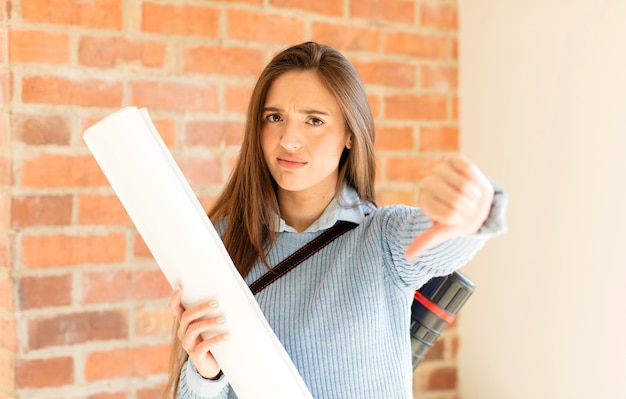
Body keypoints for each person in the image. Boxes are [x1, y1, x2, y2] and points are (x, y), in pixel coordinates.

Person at [164, 41, 507, 399]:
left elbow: (447, 239)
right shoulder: (220, 242)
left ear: (349, 134)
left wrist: (474, 208)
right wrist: (205, 374)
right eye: (275, 117)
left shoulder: (382, 240)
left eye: (314, 120)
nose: (289, 140)